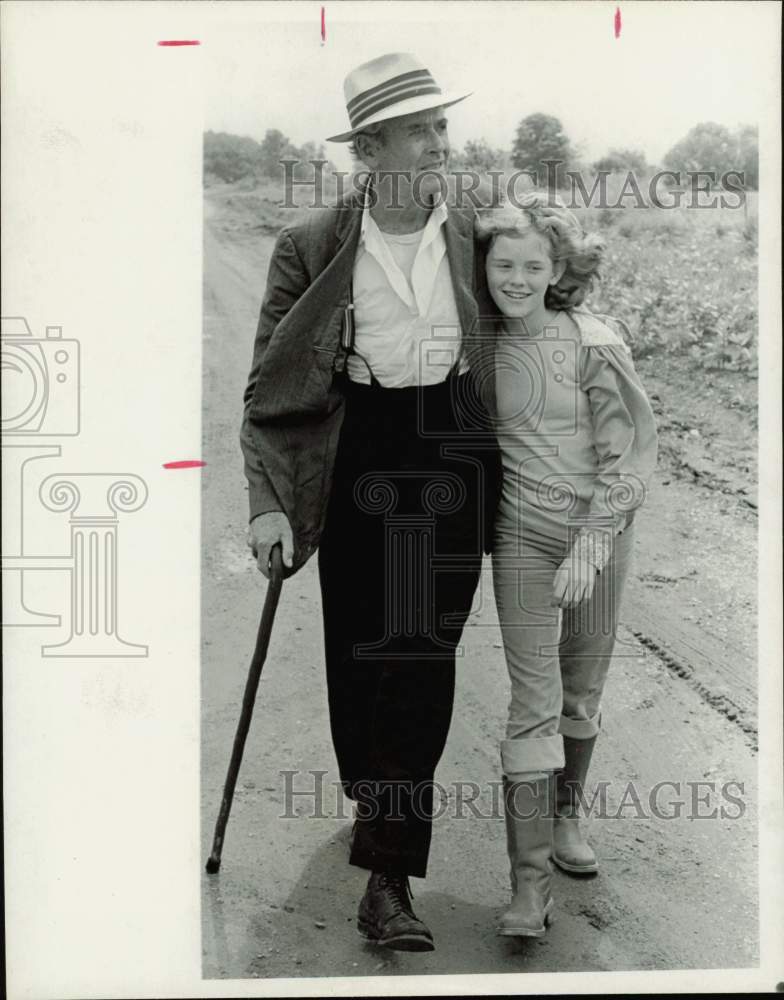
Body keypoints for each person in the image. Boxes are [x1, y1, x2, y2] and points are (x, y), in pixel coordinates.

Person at [241, 52, 500, 952]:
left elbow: (548, 304)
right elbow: (270, 388)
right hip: (357, 448)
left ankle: (387, 874)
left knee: (419, 654)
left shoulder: (480, 229)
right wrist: (269, 503)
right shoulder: (311, 245)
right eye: (421, 129)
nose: (440, 142)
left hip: (453, 445)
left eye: (441, 126)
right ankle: (372, 792)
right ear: (370, 146)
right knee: (360, 652)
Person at [473, 195, 658, 937]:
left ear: (558, 271)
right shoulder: (475, 342)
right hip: (522, 535)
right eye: (502, 263)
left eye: (533, 266)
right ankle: (529, 887)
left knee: (582, 689)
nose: (516, 279)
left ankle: (569, 813)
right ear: (482, 265)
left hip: (598, 537)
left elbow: (631, 456)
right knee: (532, 702)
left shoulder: (593, 341)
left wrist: (591, 543)